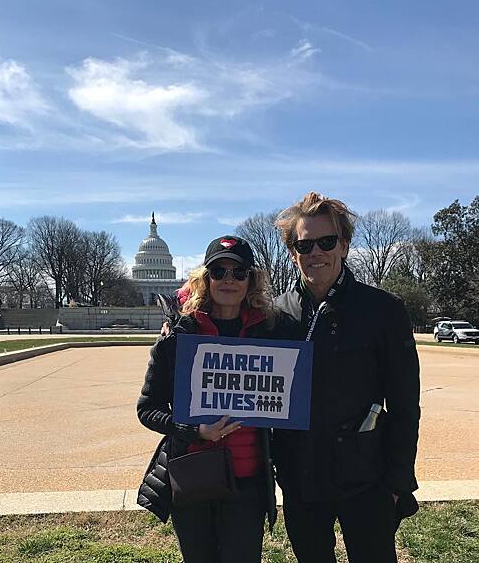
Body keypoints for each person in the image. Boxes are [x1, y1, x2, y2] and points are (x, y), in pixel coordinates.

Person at [272, 192, 420, 563]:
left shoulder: (384, 310)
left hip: (366, 478)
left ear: (344, 246)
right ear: (293, 253)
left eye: (326, 242)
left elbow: (404, 405)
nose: (315, 253)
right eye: (304, 245)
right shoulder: (276, 313)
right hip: (300, 476)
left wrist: (398, 481)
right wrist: (176, 332)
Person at [137, 235, 294, 563]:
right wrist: (195, 430)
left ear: (250, 279)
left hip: (247, 481)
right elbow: (147, 409)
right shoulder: (180, 335)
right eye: (218, 271)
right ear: (205, 279)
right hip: (193, 476)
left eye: (238, 272)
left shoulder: (269, 333)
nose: (228, 280)